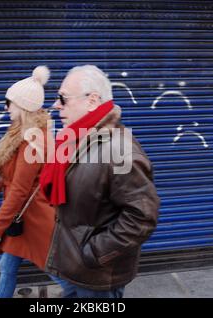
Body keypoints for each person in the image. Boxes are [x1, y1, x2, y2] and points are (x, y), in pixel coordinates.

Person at [39, 65, 161, 298]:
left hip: (96, 277)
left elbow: (142, 217)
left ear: (92, 100)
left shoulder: (119, 150)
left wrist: (93, 253)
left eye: (63, 99)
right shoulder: (76, 140)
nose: (56, 105)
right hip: (74, 267)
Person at [0, 66, 55, 298]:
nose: (5, 107)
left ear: (22, 106)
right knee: (7, 266)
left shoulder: (31, 140)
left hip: (33, 220)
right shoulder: (20, 132)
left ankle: (90, 301)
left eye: (9, 102)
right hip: (22, 218)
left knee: (57, 270)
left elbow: (19, 191)